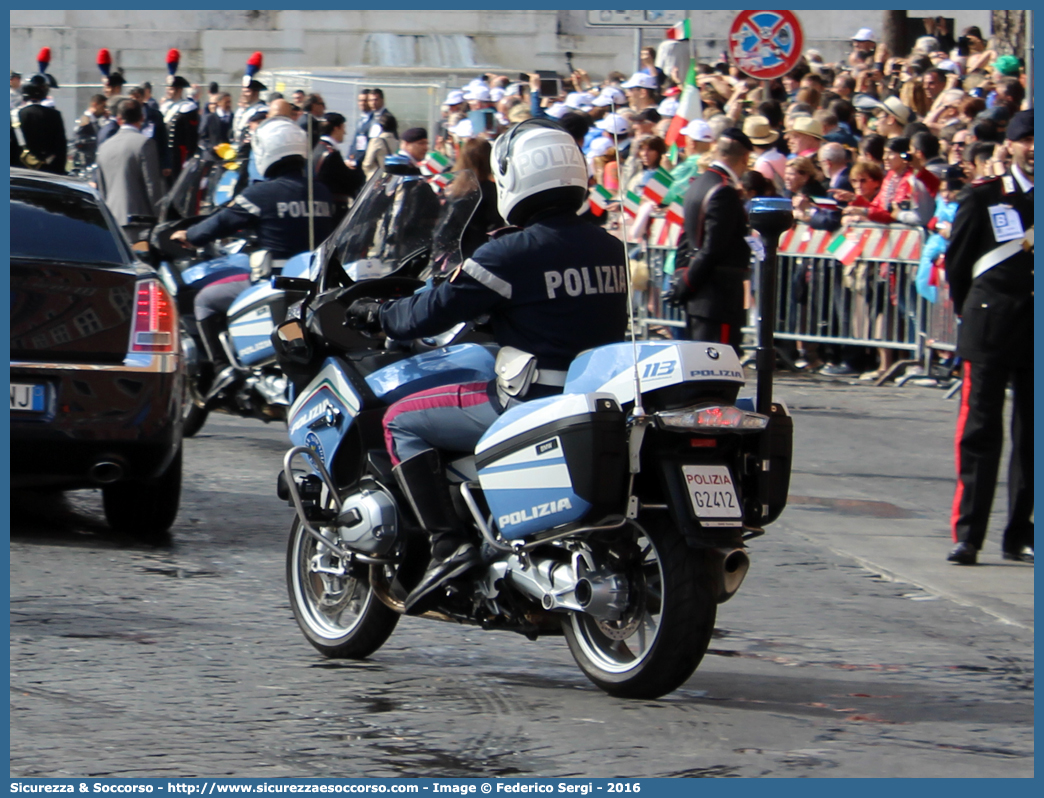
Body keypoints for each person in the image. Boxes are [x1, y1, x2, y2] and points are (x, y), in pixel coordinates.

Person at [344, 118, 627, 613]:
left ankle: (446, 545)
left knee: (400, 420)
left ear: (514, 177)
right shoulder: (610, 247)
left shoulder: (509, 252)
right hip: (594, 397)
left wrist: (379, 313)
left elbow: (430, 311)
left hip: (529, 399)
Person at [169, 120, 335, 388]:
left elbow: (219, 223)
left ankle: (222, 369)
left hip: (274, 282)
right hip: (314, 283)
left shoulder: (261, 193)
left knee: (205, 300)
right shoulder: (322, 192)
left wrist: (189, 236)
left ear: (267, 151)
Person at [944, 110, 1033, 565]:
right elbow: (957, 267)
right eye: (1027, 141)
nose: (1034, 149)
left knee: (1031, 436)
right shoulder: (983, 197)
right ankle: (968, 535)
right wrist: (971, 315)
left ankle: (1020, 531)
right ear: (1011, 146)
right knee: (979, 432)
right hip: (990, 328)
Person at [665, 128, 754, 354]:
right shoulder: (723, 190)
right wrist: (687, 284)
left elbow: (685, 239)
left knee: (700, 365)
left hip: (701, 294)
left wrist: (682, 278)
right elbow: (713, 248)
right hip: (717, 295)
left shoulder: (699, 183)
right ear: (745, 158)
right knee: (717, 369)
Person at [94, 99, 164, 240]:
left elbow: (102, 188)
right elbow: (152, 185)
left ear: (119, 119)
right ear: (142, 118)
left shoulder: (104, 147)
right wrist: (161, 217)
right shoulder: (145, 143)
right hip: (140, 220)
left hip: (113, 220)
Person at [313, 111, 364, 222]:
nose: (345, 132)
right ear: (336, 128)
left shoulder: (317, 149)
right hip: (334, 209)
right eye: (343, 128)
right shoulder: (331, 154)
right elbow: (349, 183)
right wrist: (357, 168)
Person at [14, 75, 66, 174]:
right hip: (49, 171)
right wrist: (60, 171)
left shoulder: (14, 115)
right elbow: (61, 148)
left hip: (20, 171)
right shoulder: (54, 115)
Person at [160, 74, 199, 181]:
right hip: (165, 153)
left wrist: (190, 156)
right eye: (168, 88)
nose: (168, 91)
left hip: (178, 153)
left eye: (171, 89)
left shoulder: (188, 107)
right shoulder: (165, 107)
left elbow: (192, 135)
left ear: (179, 90)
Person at [362, 112, 399, 179]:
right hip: (393, 181)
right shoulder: (398, 143)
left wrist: (369, 175)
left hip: (378, 180)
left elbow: (367, 164)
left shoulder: (376, 141)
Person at [232, 78, 267, 144]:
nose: (243, 94)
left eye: (247, 91)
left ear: (256, 93)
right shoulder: (242, 109)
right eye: (243, 91)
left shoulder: (262, 110)